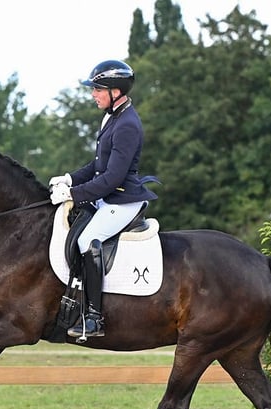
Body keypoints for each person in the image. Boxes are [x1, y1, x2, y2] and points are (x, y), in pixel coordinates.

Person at [49, 59, 158, 340]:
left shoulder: (128, 125)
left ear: (115, 91)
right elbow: (98, 164)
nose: (93, 95)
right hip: (108, 197)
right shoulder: (112, 116)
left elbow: (113, 178)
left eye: (98, 89)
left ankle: (94, 317)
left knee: (87, 241)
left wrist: (73, 195)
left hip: (122, 199)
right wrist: (70, 179)